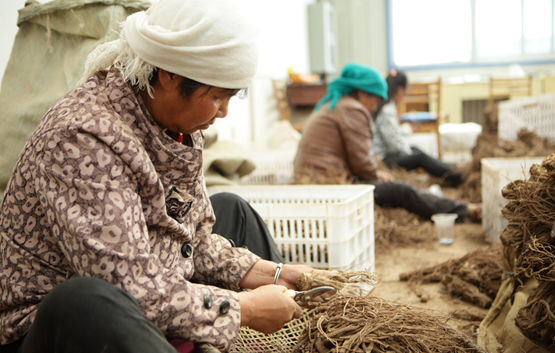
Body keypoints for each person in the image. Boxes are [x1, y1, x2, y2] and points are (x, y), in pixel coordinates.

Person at [0, 1, 332, 352]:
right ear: (169, 74)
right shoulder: (81, 138)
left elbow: (192, 240)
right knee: (82, 300)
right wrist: (245, 309)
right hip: (55, 331)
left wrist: (276, 274)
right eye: (217, 96)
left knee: (233, 210)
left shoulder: (173, 124)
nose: (223, 112)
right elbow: (129, 289)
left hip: (152, 290)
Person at [294, 62, 469, 222]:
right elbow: (361, 163)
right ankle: (463, 211)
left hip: (316, 184)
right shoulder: (352, 110)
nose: (376, 106)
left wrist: (374, 173)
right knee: (401, 190)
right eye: (376, 100)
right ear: (362, 93)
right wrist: (376, 175)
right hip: (332, 189)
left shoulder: (334, 104)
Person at [372, 69, 463, 186]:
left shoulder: (385, 106)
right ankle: (458, 177)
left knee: (415, 150)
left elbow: (392, 135)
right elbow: (394, 142)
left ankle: (451, 169)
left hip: (385, 155)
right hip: (382, 160)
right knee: (419, 157)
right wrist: (409, 155)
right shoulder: (387, 109)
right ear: (400, 89)